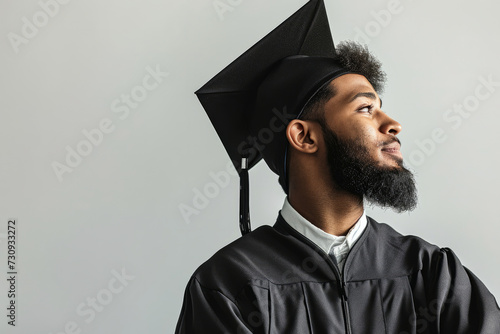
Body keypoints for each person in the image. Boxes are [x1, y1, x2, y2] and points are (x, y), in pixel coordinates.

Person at [175, 1, 500, 333]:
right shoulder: (230, 285)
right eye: (364, 108)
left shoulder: (430, 273)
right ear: (304, 136)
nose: (392, 124)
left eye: (381, 107)